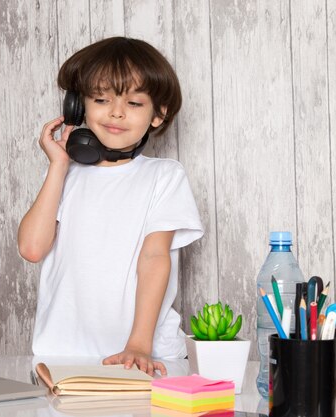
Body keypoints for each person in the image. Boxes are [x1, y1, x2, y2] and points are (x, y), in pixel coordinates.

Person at [18, 37, 203, 376]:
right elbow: (31, 248)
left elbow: (154, 260)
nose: (116, 112)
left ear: (158, 114)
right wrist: (58, 165)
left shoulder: (163, 177)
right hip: (63, 356)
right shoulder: (66, 176)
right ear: (78, 107)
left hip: (144, 355)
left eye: (134, 103)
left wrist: (139, 345)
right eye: (101, 99)